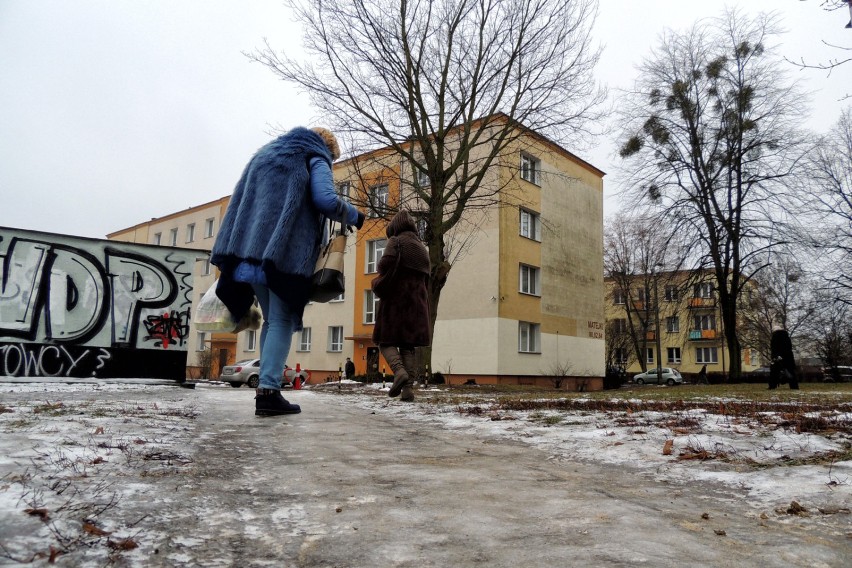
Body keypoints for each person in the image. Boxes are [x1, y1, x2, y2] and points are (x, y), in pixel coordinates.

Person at [211, 127, 365, 416]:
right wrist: (356, 216)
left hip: (249, 252)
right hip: (285, 254)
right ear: (329, 149)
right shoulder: (315, 157)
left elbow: (240, 203)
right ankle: (268, 392)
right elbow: (326, 200)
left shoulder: (263, 157)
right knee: (282, 319)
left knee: (273, 320)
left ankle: (266, 390)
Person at [371, 210, 431, 402]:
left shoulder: (396, 242)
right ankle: (408, 390)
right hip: (417, 304)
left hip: (396, 301)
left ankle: (398, 371)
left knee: (384, 341)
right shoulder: (422, 248)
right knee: (408, 346)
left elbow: (384, 266)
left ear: (395, 227)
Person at [769, 324, 799, 390]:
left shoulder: (775, 337)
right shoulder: (787, 337)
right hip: (788, 357)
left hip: (778, 357)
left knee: (774, 373)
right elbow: (789, 347)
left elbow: (774, 348)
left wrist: (774, 356)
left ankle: (772, 386)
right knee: (791, 372)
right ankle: (794, 387)